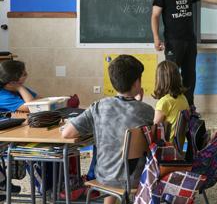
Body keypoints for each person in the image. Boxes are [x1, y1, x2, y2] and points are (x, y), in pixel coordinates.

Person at [62, 55, 154, 204]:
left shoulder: (99, 106)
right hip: (138, 178)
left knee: (111, 168)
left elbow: (67, 133)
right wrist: (138, 103)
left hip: (106, 177)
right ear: (137, 83)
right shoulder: (147, 111)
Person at [152, 60, 189, 144]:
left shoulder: (164, 102)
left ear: (159, 80)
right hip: (177, 147)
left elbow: (154, 131)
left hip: (165, 148)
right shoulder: (183, 98)